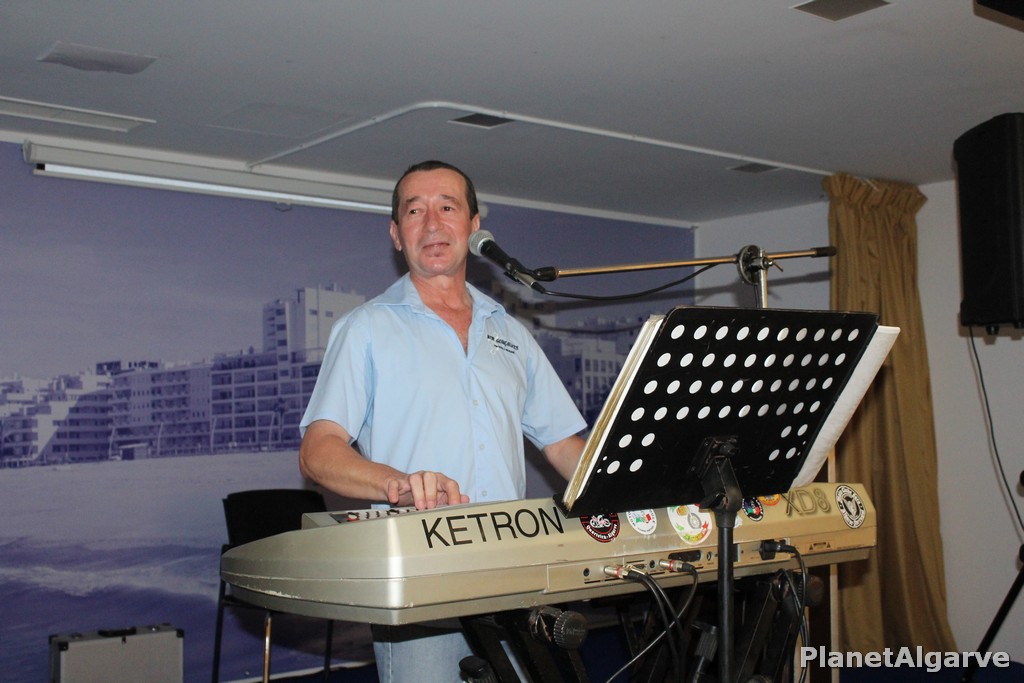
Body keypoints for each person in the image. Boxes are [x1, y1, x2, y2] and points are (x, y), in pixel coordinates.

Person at [298, 160, 587, 681]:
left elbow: (565, 447)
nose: (432, 223)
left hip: (514, 576)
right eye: (415, 211)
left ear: (474, 227)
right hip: (421, 578)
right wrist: (399, 483)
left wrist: (638, 490)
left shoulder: (511, 333)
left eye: (447, 207)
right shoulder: (365, 328)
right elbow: (319, 451)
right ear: (396, 234)